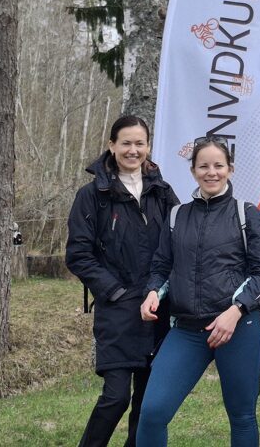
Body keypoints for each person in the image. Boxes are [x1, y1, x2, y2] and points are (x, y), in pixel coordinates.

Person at [136, 136, 260, 447]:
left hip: (238, 328)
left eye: (218, 165)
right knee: (153, 412)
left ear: (230, 169)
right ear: (193, 171)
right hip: (187, 330)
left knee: (242, 416)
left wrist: (236, 311)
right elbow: (161, 266)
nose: (212, 172)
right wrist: (153, 292)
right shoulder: (177, 215)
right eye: (203, 166)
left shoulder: (246, 213)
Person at [66, 115, 178, 447]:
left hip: (158, 307)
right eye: (126, 143)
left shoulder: (162, 192)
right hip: (117, 309)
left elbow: (179, 242)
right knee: (116, 397)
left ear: (148, 147)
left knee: (147, 401)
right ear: (112, 145)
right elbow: (78, 254)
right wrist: (114, 291)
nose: (133, 150)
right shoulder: (92, 195)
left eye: (139, 143)